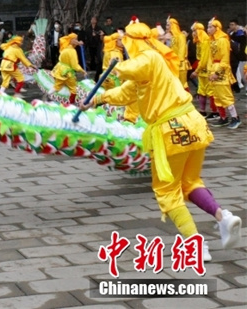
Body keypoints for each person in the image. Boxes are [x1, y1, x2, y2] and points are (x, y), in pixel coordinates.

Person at [80, 22, 241, 262]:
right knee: (190, 181)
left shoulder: (149, 58)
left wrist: (116, 64)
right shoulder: (154, 65)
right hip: (193, 124)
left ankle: (195, 243)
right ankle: (223, 217)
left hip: (171, 130)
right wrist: (96, 100)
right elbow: (126, 93)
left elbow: (131, 69)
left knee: (167, 191)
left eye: (127, 43)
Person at [206, 18, 239, 128]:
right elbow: (210, 58)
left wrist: (218, 73)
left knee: (225, 95)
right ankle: (223, 117)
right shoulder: (212, 41)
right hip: (214, 68)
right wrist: (210, 71)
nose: (208, 29)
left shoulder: (223, 40)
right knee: (216, 95)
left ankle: (235, 117)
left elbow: (225, 59)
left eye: (211, 27)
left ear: (217, 28)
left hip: (222, 69)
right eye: (208, 27)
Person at [51, 33, 86, 104]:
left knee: (57, 86)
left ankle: (47, 96)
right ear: (71, 40)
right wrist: (83, 71)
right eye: (76, 39)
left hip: (60, 70)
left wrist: (78, 43)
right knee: (73, 90)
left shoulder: (64, 48)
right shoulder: (72, 51)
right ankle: (70, 104)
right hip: (67, 72)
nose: (77, 40)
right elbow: (75, 65)